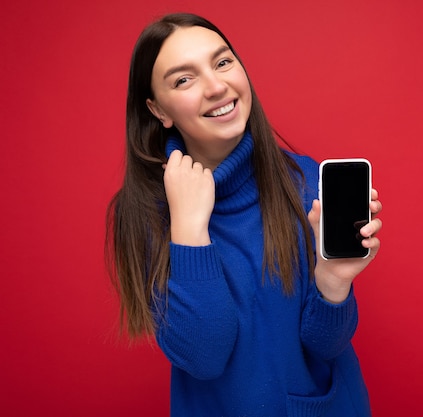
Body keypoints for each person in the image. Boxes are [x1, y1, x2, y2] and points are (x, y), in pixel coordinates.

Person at [106, 12, 383, 417]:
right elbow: (204, 356)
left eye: (222, 62)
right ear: (158, 110)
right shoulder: (144, 214)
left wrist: (333, 282)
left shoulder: (306, 181)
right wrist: (188, 226)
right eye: (184, 79)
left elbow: (327, 346)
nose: (217, 87)